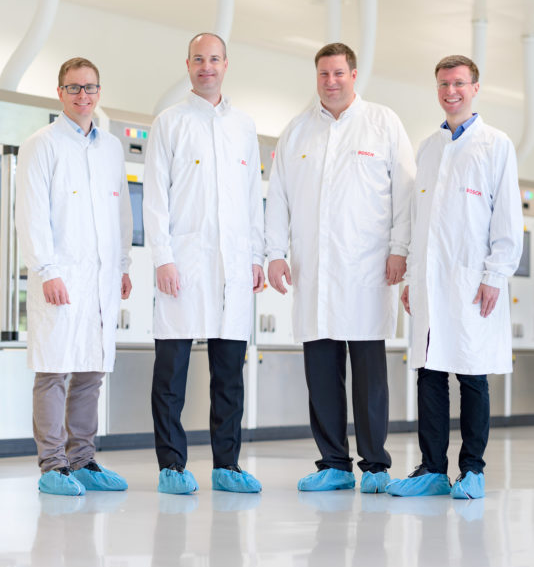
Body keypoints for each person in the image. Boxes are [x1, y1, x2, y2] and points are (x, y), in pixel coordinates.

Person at [265, 42, 416, 493]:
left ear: (354, 75)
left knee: (369, 377)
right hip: (314, 272)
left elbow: (406, 195)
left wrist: (400, 248)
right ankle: (333, 462)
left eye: (338, 73)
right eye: (323, 74)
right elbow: (279, 199)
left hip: (369, 270)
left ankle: (375, 465)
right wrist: (274, 252)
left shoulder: (383, 123)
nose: (330, 82)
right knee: (322, 374)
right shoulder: (296, 132)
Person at [386, 54, 524, 500]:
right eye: (444, 84)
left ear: (475, 88)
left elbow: (505, 219)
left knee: (472, 373)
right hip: (429, 281)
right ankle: (431, 469)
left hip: (471, 282)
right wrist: (410, 274)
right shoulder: (428, 147)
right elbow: (418, 217)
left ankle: (473, 470)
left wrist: (495, 275)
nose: (451, 92)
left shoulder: (496, 145)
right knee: (429, 372)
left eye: (459, 83)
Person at [143, 32, 265, 495]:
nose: (207, 67)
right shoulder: (169, 123)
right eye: (199, 59)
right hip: (184, 265)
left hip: (233, 269)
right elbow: (155, 199)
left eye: (214, 59)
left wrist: (255, 256)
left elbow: (255, 197)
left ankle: (226, 465)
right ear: (188, 65)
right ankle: (172, 465)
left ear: (226, 64)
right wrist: (163, 258)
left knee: (229, 376)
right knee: (171, 375)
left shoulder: (244, 126)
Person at [15, 57, 133, 496]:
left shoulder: (111, 148)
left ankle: (83, 459)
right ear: (60, 92)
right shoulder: (41, 144)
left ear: (99, 92)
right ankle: (52, 465)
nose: (83, 95)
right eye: (74, 88)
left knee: (91, 370)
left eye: (90, 87)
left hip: (100, 278)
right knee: (54, 368)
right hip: (61, 273)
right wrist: (46, 269)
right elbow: (31, 214)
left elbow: (119, 211)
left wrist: (122, 266)